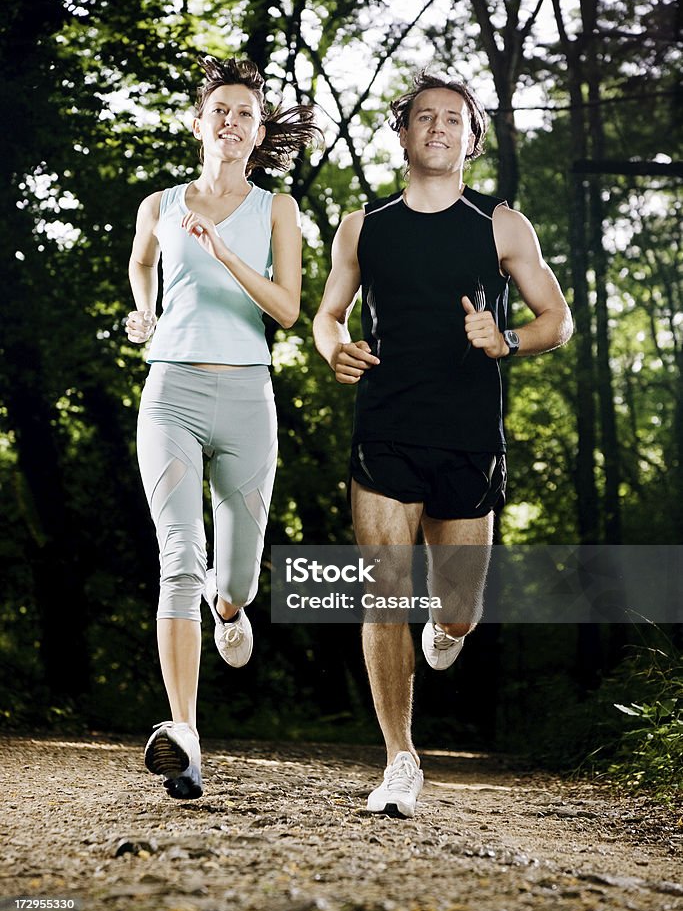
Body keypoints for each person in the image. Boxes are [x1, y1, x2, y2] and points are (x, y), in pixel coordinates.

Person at [313, 70, 572, 818]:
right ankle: (400, 757)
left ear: (470, 140)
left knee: (455, 609)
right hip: (386, 425)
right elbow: (328, 313)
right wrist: (334, 346)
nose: (436, 127)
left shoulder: (500, 226)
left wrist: (508, 340)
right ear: (401, 134)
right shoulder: (363, 225)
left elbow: (556, 318)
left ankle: (447, 625)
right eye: (422, 116)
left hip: (467, 436)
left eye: (451, 119)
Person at [126, 55, 320, 799]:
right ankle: (185, 734)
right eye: (220, 111)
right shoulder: (159, 204)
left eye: (246, 112)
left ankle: (230, 610)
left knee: (233, 576)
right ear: (197, 124)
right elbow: (144, 264)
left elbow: (287, 310)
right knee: (179, 555)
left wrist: (224, 252)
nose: (232, 122)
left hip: (246, 398)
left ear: (258, 128)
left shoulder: (276, 209)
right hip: (169, 390)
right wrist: (145, 308)